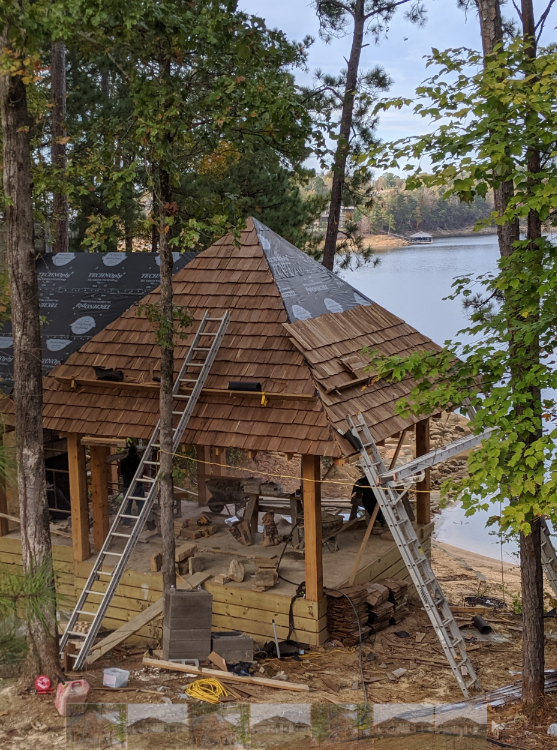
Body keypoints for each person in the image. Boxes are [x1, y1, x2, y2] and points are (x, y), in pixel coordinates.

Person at [119, 444, 143, 526]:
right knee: (140, 504)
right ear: (136, 452)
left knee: (127, 504)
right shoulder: (140, 461)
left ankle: (127, 521)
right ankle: (141, 521)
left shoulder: (123, 461)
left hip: (127, 485)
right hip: (138, 484)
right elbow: (145, 471)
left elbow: (119, 472)